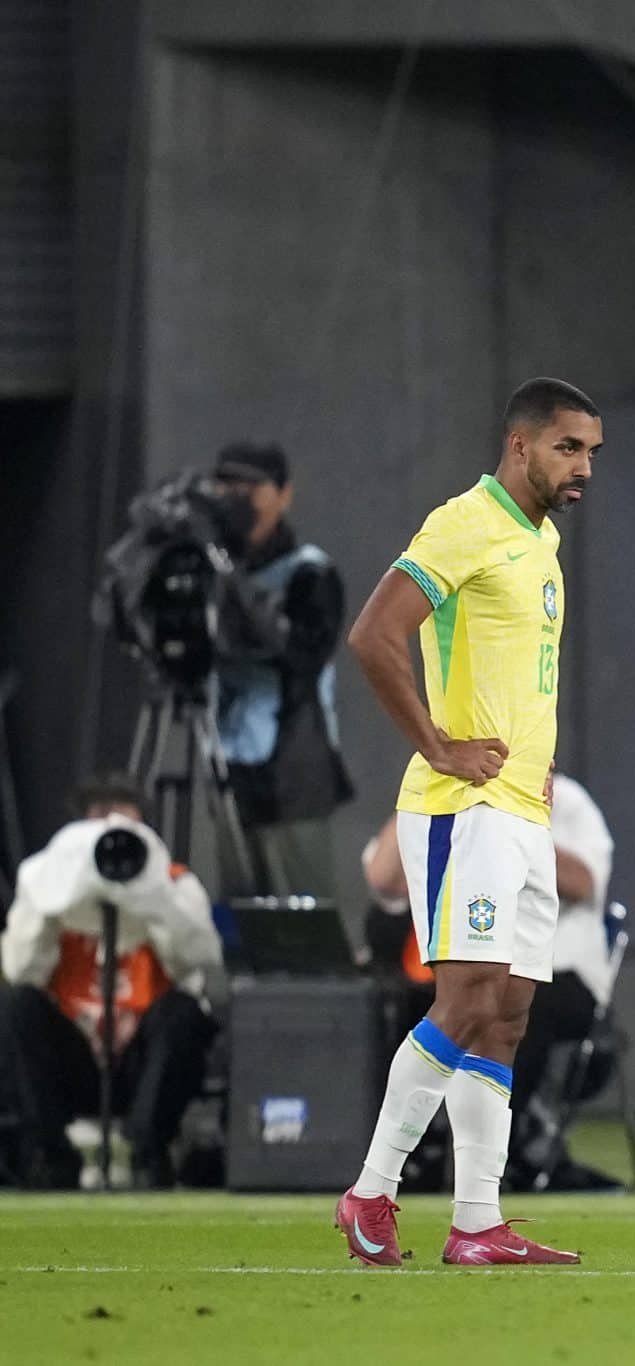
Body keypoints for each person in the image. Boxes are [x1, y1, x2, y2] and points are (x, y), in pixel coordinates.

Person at [334, 377, 599, 1268]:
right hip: (464, 807)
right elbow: (374, 634)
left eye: (592, 451)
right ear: (519, 444)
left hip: (523, 807)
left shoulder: (543, 541)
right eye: (569, 447)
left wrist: (538, 758)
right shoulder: (464, 523)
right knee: (469, 992)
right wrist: (439, 744)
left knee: (510, 1014)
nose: (583, 466)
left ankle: (478, 1222)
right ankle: (372, 1194)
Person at [362, 771, 621, 1190]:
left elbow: (584, 881)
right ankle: (388, 1175)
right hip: (459, 965)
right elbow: (384, 881)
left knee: (511, 1009)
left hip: (557, 972)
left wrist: (504, 822)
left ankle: (488, 1175)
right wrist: (428, 790)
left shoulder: (567, 799)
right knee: (411, 1006)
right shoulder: (439, 790)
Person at [0, 775, 221, 1187]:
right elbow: (20, 969)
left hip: (142, 1065)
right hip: (74, 1058)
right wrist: (47, 904)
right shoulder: (46, 879)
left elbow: (198, 959)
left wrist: (154, 898)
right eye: (100, 818)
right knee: (15, 1006)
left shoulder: (175, 882)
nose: (110, 832)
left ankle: (147, 1152)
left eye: (123, 820)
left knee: (184, 1013)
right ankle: (47, 1155)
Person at [212, 442, 354, 897]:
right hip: (231, 768)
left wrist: (235, 587)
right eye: (227, 487)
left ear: (283, 495)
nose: (239, 499)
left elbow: (304, 653)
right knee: (240, 915)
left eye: (251, 487)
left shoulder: (309, 572)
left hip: (294, 771)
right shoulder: (212, 569)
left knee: (304, 919)